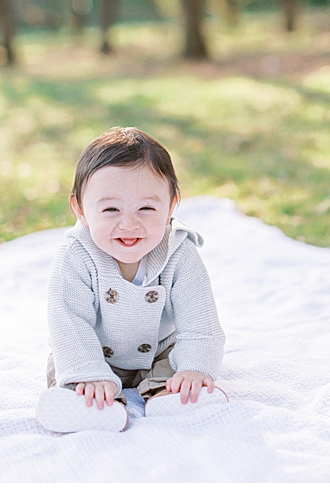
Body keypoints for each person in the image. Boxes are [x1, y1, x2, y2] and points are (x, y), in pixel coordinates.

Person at [36, 127, 228, 433]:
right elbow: (68, 321)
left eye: (147, 208)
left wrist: (195, 368)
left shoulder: (179, 251)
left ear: (171, 206)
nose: (129, 223)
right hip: (93, 349)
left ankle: (170, 396)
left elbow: (200, 320)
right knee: (66, 367)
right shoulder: (76, 254)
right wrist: (86, 373)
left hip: (158, 352)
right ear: (81, 209)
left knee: (176, 366)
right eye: (111, 209)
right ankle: (95, 406)